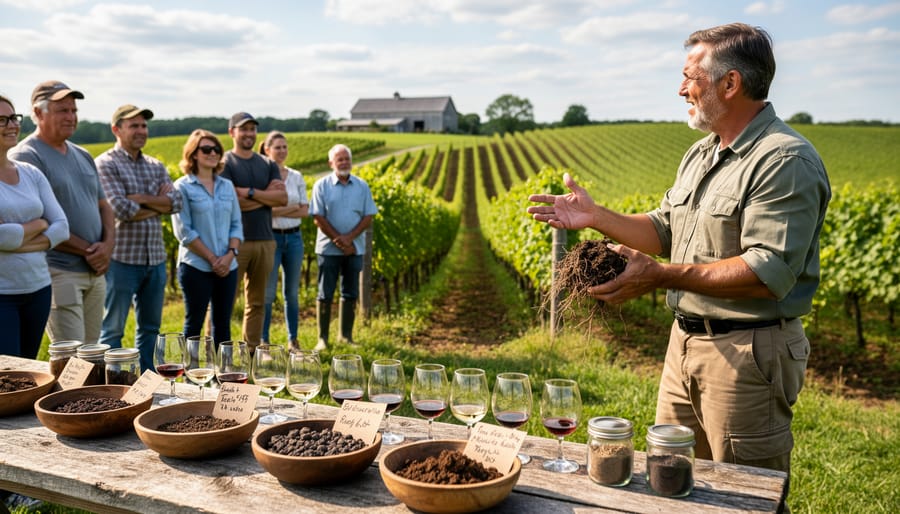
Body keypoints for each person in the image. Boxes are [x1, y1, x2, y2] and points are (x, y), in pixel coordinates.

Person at [527, 23, 830, 498]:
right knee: (670, 481)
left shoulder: (784, 160)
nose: (681, 88)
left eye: (691, 76)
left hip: (746, 354)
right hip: (683, 344)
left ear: (730, 84)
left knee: (742, 493)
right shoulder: (701, 154)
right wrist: (595, 217)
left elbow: (767, 272)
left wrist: (658, 277)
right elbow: (665, 230)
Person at [10, 80, 115, 345]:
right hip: (60, 271)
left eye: (73, 110)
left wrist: (107, 247)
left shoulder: (82, 154)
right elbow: (42, 221)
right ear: (38, 113)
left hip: (95, 270)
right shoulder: (27, 156)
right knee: (72, 359)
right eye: (62, 110)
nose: (71, 117)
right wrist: (90, 251)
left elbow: (103, 205)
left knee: (93, 355)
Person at [95, 105, 182, 372]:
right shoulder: (105, 164)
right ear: (116, 129)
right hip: (121, 258)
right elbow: (121, 209)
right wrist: (159, 203)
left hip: (154, 260)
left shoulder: (155, 165)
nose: (141, 131)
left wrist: (141, 199)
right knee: (112, 329)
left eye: (144, 125)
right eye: (134, 125)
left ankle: (145, 382)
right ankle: (109, 384)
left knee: (151, 329)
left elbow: (176, 203)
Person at [0, 93, 69, 358]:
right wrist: (39, 224)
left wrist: (15, 241)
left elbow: (61, 227)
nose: (12, 125)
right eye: (2, 120)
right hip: (2, 294)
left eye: (13, 117)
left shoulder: (30, 173)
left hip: (38, 289)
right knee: (7, 375)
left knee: (28, 368)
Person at [220, 112, 286, 353]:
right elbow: (230, 202)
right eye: (243, 129)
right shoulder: (224, 163)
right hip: (234, 242)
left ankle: (250, 352)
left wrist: (247, 193)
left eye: (252, 129)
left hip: (265, 240)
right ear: (232, 133)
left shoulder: (267, 163)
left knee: (257, 302)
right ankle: (215, 350)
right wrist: (264, 197)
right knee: (223, 302)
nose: (249, 133)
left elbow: (282, 197)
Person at [172, 129, 242, 345]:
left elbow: (236, 224)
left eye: (216, 149)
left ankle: (223, 376)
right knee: (193, 325)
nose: (213, 153)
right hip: (196, 267)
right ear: (193, 154)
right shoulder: (182, 187)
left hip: (228, 266)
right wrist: (213, 260)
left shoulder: (227, 186)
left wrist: (230, 256)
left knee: (223, 324)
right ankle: (190, 376)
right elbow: (184, 231)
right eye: (206, 149)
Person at [309, 144, 377, 352]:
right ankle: (323, 339)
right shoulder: (321, 185)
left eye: (347, 159)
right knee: (325, 293)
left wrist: (349, 239)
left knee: (350, 292)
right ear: (331, 163)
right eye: (340, 160)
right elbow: (317, 216)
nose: (344, 163)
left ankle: (345, 336)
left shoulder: (362, 186)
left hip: (354, 249)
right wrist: (339, 239)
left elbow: (369, 215)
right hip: (328, 249)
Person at [258, 131, 309, 351]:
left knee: (292, 293)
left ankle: (292, 340)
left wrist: (278, 210)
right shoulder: (262, 177)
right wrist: (290, 209)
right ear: (267, 150)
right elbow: (264, 214)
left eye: (284, 147)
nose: (282, 151)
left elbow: (305, 211)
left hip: (295, 238)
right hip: (271, 239)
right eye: (277, 147)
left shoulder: (296, 176)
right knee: (268, 293)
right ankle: (264, 341)